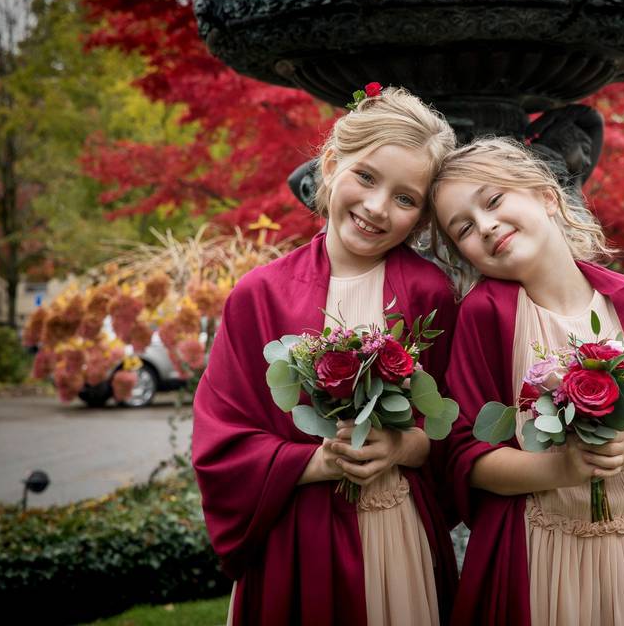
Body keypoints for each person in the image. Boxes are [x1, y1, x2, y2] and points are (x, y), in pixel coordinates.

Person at [192, 86, 459, 625]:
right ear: (332, 164)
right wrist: (317, 460)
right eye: (366, 176)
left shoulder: (431, 294)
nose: (377, 208)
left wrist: (405, 446)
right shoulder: (261, 294)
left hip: (397, 534)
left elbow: (460, 421)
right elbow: (221, 435)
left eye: (406, 199)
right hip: (297, 535)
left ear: (423, 216)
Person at [431, 137, 624, 625]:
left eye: (493, 200)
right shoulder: (484, 316)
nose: (486, 226)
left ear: (545, 194)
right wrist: (563, 470)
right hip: (529, 555)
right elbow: (466, 457)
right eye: (464, 229)